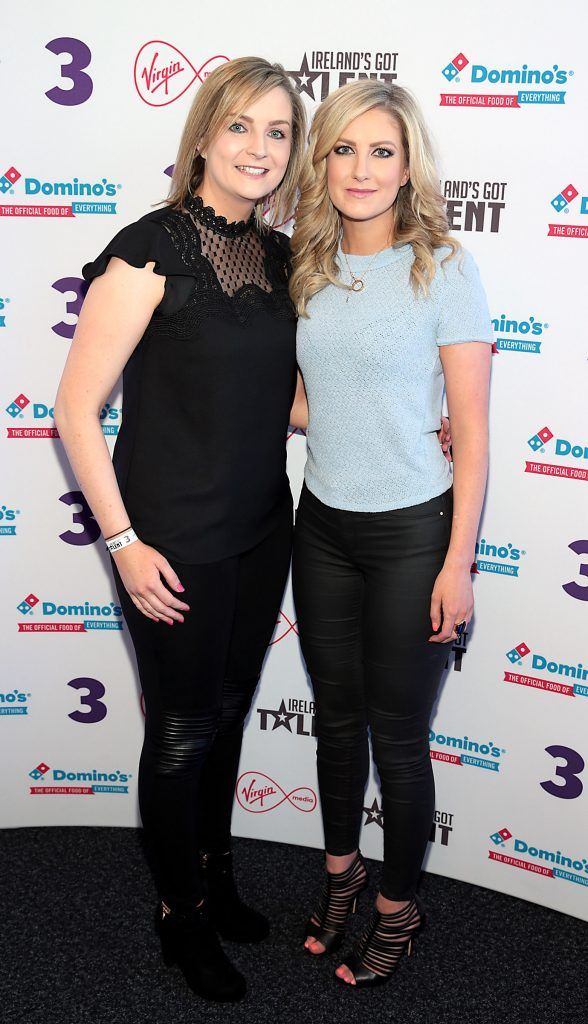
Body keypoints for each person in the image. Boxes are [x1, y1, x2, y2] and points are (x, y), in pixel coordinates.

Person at [54, 56, 307, 1003]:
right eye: (240, 126)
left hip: (259, 530)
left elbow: (286, 404)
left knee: (226, 719)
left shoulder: (282, 258)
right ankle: (180, 919)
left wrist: (412, 418)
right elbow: (76, 411)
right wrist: (124, 544)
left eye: (278, 132)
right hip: (170, 540)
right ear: (202, 134)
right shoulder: (148, 248)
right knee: (179, 733)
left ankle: (217, 879)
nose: (258, 148)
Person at [289, 80, 492, 988]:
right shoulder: (306, 263)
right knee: (336, 724)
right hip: (321, 525)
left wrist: (461, 563)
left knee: (398, 739)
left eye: (381, 151)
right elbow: (305, 399)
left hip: (416, 534)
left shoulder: (443, 266)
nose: (361, 169)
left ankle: (397, 912)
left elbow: (475, 436)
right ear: (321, 160)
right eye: (343, 149)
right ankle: (341, 882)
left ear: (408, 166)